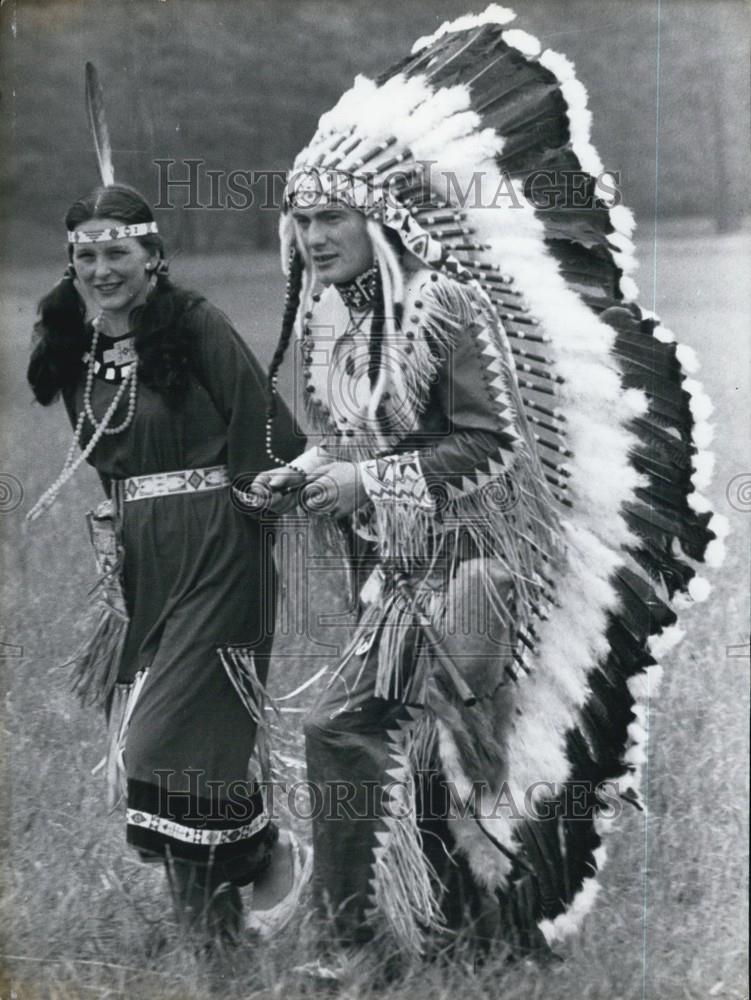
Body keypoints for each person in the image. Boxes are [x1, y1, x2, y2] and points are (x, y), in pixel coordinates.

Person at [239, 4, 722, 971]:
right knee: (429, 756)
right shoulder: (343, 321)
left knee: (368, 733)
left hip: (480, 567)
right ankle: (467, 933)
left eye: (331, 215)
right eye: (300, 218)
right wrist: (304, 475)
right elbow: (356, 436)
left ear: (378, 219)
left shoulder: (445, 307)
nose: (313, 234)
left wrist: (369, 480)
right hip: (404, 567)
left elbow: (491, 446)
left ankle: (357, 941)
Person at [27, 183, 308, 949]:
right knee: (199, 755)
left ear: (153, 255)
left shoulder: (197, 325)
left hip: (219, 542)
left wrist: (270, 496)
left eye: (117, 250)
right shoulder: (75, 347)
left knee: (157, 744)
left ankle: (255, 850)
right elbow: (110, 464)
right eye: (85, 254)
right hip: (144, 556)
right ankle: (215, 939)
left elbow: (262, 423)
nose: (100, 267)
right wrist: (116, 533)